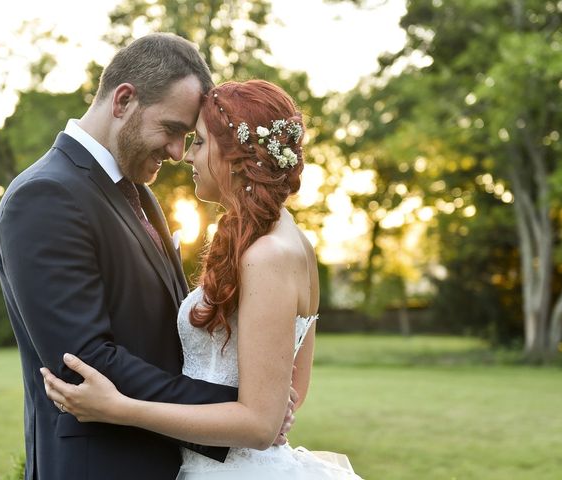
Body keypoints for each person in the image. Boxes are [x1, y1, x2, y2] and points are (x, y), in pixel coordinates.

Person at [0, 34, 293, 480]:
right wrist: (238, 409)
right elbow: (87, 358)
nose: (177, 153)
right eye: (172, 130)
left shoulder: (140, 193)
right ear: (124, 100)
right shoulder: (44, 196)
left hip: (165, 459)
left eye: (188, 137)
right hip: (99, 465)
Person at [40, 80, 363, 479]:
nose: (185, 155)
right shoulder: (289, 241)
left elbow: (262, 426)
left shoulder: (269, 256)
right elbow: (294, 390)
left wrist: (117, 408)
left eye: (199, 142)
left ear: (236, 155)